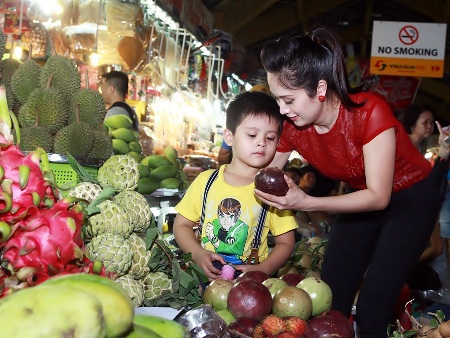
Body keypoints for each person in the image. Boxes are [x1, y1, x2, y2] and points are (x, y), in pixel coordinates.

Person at [256, 25, 450, 338]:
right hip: (361, 196)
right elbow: (266, 174)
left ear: (320, 89)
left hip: (411, 198)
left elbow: (378, 196)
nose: (282, 109)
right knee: (332, 291)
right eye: (277, 99)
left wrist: (306, 202)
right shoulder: (294, 125)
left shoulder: (369, 113)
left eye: (288, 99)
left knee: (375, 298)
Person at [173, 91, 298, 280]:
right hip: (201, 280)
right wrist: (197, 253)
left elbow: (286, 243)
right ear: (229, 137)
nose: (261, 143)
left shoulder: (274, 191)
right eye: (252, 134)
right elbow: (181, 225)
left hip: (249, 287)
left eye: (270, 138)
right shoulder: (206, 181)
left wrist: (264, 268)